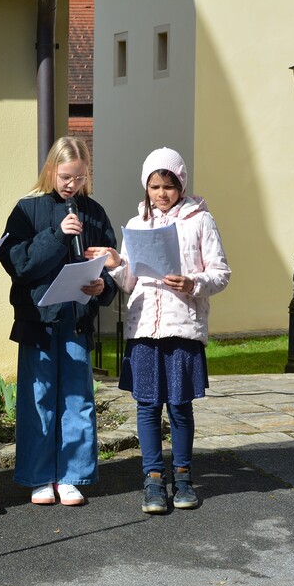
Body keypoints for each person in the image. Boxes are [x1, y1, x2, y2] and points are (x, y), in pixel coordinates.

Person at [90, 147, 230, 514]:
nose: (161, 194)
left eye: (168, 186)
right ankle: (153, 479)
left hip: (182, 327)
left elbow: (221, 273)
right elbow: (130, 283)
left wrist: (193, 283)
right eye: (154, 186)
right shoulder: (136, 225)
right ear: (146, 187)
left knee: (180, 406)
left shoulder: (201, 220)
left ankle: (183, 478)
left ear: (181, 185)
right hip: (144, 330)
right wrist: (116, 264)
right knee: (148, 406)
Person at [0, 136, 117, 507]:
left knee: (77, 399)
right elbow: (18, 265)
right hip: (38, 319)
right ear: (51, 169)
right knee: (39, 398)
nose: (72, 185)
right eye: (66, 177)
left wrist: (103, 285)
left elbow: (111, 262)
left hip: (76, 318)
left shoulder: (94, 212)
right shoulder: (27, 209)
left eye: (80, 178)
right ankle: (38, 477)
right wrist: (56, 235)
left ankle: (71, 476)